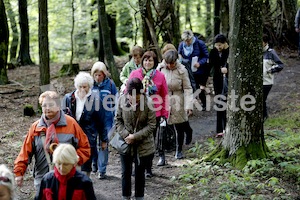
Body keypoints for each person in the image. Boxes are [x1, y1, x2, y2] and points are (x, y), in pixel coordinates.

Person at [14, 91, 90, 190]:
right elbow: (25, 152)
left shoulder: (71, 124)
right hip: (42, 178)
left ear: (58, 106)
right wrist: (19, 173)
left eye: (51, 105)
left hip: (67, 177)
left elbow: (85, 148)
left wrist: (72, 161)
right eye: (44, 105)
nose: (47, 108)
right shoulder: (36, 127)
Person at [115, 77, 156, 200]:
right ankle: (125, 196)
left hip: (143, 145)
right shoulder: (122, 100)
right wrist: (126, 135)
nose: (132, 98)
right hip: (125, 142)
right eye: (130, 95)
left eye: (136, 95)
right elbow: (118, 120)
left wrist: (136, 136)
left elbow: (152, 125)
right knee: (125, 173)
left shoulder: (148, 103)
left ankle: (139, 197)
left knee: (139, 173)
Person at [128, 51, 168, 177]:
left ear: (154, 62)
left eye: (150, 60)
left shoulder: (160, 76)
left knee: (149, 142)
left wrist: (164, 114)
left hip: (154, 113)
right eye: (145, 60)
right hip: (137, 113)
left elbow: (165, 96)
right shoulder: (135, 74)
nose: (147, 63)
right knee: (135, 140)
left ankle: (148, 168)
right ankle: (136, 166)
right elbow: (128, 93)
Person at [62, 72, 106, 178]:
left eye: (85, 87)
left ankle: (85, 185)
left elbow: (101, 120)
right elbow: (63, 117)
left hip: (88, 135)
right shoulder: (69, 98)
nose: (82, 89)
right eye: (80, 86)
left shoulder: (95, 99)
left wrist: (103, 139)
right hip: (71, 135)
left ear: (89, 86)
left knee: (86, 163)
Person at [157, 49, 193, 159]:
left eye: (172, 63)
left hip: (178, 99)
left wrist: (188, 105)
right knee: (163, 127)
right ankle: (161, 155)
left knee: (179, 126)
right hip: (164, 99)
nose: (170, 65)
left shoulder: (182, 70)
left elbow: (187, 88)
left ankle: (179, 149)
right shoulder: (160, 69)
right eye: (168, 63)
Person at [91, 61, 118, 179]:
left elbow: (116, 101)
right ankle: (94, 163)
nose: (97, 77)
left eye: (100, 75)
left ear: (104, 74)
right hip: (92, 120)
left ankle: (102, 169)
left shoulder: (110, 85)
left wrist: (116, 116)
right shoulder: (89, 85)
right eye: (95, 75)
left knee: (103, 144)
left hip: (106, 119)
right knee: (92, 143)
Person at [178, 30, 209, 111]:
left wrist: (200, 63)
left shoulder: (200, 44)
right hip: (187, 70)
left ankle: (204, 104)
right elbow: (179, 55)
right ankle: (190, 106)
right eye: (185, 41)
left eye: (188, 41)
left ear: (192, 38)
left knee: (200, 88)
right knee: (189, 87)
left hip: (199, 70)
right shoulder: (181, 45)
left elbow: (206, 56)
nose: (187, 43)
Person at [208, 34, 229, 137]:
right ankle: (219, 129)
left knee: (227, 104)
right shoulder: (213, 52)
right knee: (219, 104)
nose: (218, 47)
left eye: (220, 45)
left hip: (228, 81)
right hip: (218, 81)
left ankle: (227, 127)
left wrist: (227, 70)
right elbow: (210, 66)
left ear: (225, 43)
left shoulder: (229, 52)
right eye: (217, 45)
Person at [262, 34, 284, 120]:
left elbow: (280, 65)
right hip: (258, 81)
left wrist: (270, 70)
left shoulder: (271, 52)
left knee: (262, 99)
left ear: (265, 42)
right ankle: (263, 116)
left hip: (267, 81)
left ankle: (264, 117)